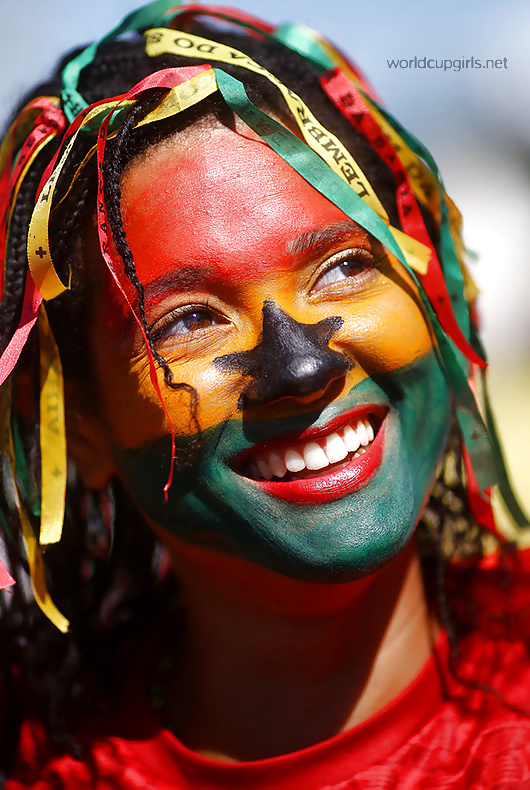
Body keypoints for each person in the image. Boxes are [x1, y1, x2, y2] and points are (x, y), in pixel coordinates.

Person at [1, 1, 529, 787]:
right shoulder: (33, 758)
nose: (302, 369)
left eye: (345, 266)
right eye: (188, 321)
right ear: (83, 427)